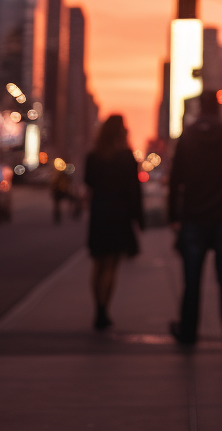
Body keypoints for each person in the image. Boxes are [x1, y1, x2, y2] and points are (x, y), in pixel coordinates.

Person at [167, 88, 222, 355]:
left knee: (192, 280)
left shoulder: (187, 139)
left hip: (194, 219)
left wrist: (174, 217)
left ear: (198, 108)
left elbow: (175, 182)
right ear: (218, 108)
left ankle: (188, 331)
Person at [84, 114, 142, 330]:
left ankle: (97, 308)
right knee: (111, 265)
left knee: (97, 263)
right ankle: (103, 310)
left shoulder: (94, 156)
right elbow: (133, 191)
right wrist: (138, 219)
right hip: (119, 213)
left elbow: (88, 181)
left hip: (99, 212)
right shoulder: (126, 157)